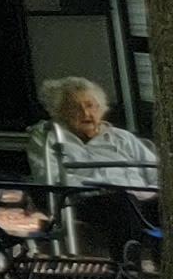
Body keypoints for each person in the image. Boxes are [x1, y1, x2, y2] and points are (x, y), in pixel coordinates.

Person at [11, 78, 158, 250]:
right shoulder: (48, 137)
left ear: (101, 108)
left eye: (90, 106)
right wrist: (103, 188)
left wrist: (153, 193)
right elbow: (47, 177)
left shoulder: (122, 138)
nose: (86, 113)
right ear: (59, 111)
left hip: (140, 198)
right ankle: (129, 268)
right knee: (121, 204)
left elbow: (158, 173)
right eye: (75, 108)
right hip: (83, 201)